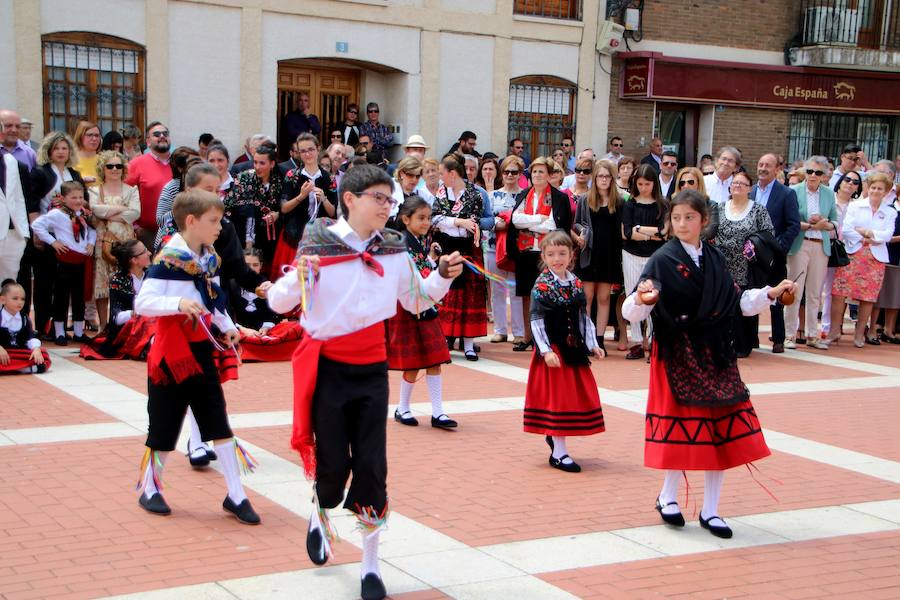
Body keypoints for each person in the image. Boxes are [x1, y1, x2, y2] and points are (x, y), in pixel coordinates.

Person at [266, 164, 463, 600]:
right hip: (329, 368)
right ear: (350, 199)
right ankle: (320, 513)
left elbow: (417, 298)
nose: (387, 207)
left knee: (373, 468)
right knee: (333, 468)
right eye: (379, 198)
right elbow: (280, 302)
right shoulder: (318, 242)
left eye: (390, 200)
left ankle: (370, 567)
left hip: (373, 369)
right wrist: (302, 277)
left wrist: (443, 277)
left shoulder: (394, 248)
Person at [623, 189, 797, 539]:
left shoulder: (716, 259)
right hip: (677, 352)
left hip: (716, 352)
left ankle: (712, 510)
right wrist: (642, 300)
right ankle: (668, 497)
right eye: (676, 218)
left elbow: (739, 303)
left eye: (689, 217)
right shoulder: (662, 259)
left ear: (703, 221)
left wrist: (770, 293)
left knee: (719, 431)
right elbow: (633, 310)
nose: (682, 223)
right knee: (685, 428)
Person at [133, 189, 259, 524]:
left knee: (217, 420)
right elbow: (142, 303)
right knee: (164, 423)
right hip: (170, 353)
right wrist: (176, 304)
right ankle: (150, 487)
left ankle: (236, 494)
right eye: (213, 221)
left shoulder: (209, 257)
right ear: (191, 221)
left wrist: (228, 325)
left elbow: (213, 299)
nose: (220, 227)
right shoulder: (168, 259)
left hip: (200, 348)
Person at [525, 231, 605, 472]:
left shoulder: (576, 282)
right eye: (551, 254)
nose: (557, 258)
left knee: (570, 397)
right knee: (557, 399)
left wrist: (592, 343)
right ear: (544, 256)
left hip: (573, 348)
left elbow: (583, 315)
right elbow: (536, 319)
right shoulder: (542, 285)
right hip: (554, 349)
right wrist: (545, 351)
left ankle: (556, 440)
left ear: (571, 255)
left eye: (562, 253)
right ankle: (559, 453)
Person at [387, 196, 457, 429]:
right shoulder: (401, 244)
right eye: (421, 218)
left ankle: (438, 412)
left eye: (428, 218)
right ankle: (402, 407)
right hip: (409, 305)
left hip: (425, 303)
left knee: (435, 358)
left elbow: (422, 267)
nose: (426, 222)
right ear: (406, 219)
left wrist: (433, 261)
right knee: (413, 361)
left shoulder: (415, 241)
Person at [507, 156, 573, 352]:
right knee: (527, 295)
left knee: (548, 295)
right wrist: (539, 220)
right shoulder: (524, 194)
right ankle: (528, 336)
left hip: (548, 255)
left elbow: (555, 225)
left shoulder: (559, 197)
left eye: (541, 172)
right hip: (526, 252)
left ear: (549, 175)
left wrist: (529, 223)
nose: (537, 175)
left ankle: (546, 337)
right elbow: (515, 220)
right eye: (534, 171)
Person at [827, 172, 898, 348]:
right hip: (853, 253)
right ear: (868, 188)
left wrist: (867, 233)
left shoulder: (889, 212)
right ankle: (835, 330)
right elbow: (847, 229)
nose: (875, 191)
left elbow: (887, 234)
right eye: (873, 187)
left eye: (880, 189)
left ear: (886, 191)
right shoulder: (855, 206)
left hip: (876, 258)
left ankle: (859, 334)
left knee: (868, 298)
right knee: (839, 293)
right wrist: (865, 236)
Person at [28, 132, 85, 337]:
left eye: (64, 148)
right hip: (47, 233)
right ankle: (43, 325)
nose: (61, 152)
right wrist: (36, 232)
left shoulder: (74, 174)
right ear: (49, 151)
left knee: (64, 285)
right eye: (57, 148)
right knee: (44, 282)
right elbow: (33, 203)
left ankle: (60, 325)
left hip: (70, 236)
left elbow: (82, 203)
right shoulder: (40, 172)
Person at [712, 171, 775, 357]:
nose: (737, 186)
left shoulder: (758, 209)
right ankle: (724, 341)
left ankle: (743, 342)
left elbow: (768, 234)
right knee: (724, 303)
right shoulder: (720, 207)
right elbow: (711, 231)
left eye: (742, 183)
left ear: (749, 188)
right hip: (723, 263)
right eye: (735, 183)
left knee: (744, 301)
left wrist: (753, 245)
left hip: (747, 264)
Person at [431, 154, 487, 360]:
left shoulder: (474, 194)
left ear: (452, 174)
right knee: (446, 293)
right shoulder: (441, 192)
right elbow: (435, 218)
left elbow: (473, 222)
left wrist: (460, 223)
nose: (440, 178)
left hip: (466, 249)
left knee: (467, 297)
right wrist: (457, 222)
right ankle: (445, 338)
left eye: (442, 174)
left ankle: (469, 344)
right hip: (445, 246)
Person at [31, 181, 96, 345]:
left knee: (79, 296)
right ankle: (59, 332)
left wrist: (90, 243)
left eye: (81, 197)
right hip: (65, 259)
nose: (78, 200)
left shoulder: (83, 213)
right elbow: (37, 225)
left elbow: (92, 229)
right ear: (63, 198)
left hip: (81, 259)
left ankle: (79, 331)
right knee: (61, 296)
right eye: (73, 197)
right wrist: (53, 242)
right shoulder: (57, 214)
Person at [749, 154, 800, 353]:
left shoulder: (786, 194)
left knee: (778, 297)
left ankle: (778, 339)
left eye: (767, 166)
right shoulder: (750, 191)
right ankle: (751, 337)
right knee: (753, 295)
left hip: (775, 256)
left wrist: (779, 247)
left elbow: (793, 225)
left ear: (777, 169)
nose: (762, 168)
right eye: (760, 164)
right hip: (752, 255)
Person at [573, 159, 625, 353]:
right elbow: (576, 223)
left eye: (607, 176)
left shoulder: (619, 202)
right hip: (589, 253)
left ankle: (599, 337)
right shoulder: (585, 199)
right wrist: (582, 234)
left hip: (609, 255)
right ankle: (586, 336)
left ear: (612, 179)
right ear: (594, 178)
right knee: (587, 297)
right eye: (600, 176)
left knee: (604, 298)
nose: (603, 180)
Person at [786, 156, 837, 348]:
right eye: (809, 171)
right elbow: (789, 221)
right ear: (804, 173)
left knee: (815, 293)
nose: (813, 176)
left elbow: (835, 222)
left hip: (820, 245)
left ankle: (812, 335)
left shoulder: (829, 194)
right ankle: (790, 335)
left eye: (818, 172)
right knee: (793, 290)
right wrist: (810, 225)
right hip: (800, 243)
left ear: (824, 175)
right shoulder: (793, 191)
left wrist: (825, 224)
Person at [273, 134, 337, 278]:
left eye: (311, 149)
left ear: (318, 149)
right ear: (298, 153)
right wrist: (301, 196)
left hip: (319, 237)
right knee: (291, 280)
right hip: (294, 235)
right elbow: (283, 208)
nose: (307, 154)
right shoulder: (292, 176)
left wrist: (324, 199)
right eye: (303, 151)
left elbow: (332, 213)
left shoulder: (329, 178)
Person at [79, 239, 154, 361]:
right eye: (145, 251)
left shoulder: (151, 275)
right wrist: (133, 313)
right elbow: (116, 317)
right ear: (134, 260)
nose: (149, 253)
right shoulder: (118, 280)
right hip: (128, 329)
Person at [621, 163, 667, 360]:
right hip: (631, 254)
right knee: (634, 294)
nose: (643, 188)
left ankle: (654, 339)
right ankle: (637, 342)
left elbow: (664, 233)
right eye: (640, 183)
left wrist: (640, 229)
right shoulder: (630, 203)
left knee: (653, 296)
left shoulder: (662, 204)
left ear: (654, 184)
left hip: (654, 256)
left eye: (647, 184)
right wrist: (649, 233)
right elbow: (627, 233)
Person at [91, 150, 140, 328]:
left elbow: (135, 213)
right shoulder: (95, 190)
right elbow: (95, 210)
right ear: (102, 168)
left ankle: (125, 325)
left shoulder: (131, 190)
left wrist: (108, 211)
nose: (114, 169)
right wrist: (121, 208)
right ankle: (104, 326)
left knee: (126, 280)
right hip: (103, 240)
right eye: (110, 166)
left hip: (125, 241)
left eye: (118, 166)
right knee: (103, 285)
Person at [224, 143, 284, 267]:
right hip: (245, 234)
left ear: (272, 164)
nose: (257, 167)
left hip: (272, 237)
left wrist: (277, 214)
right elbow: (230, 206)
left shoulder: (279, 180)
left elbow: (284, 207)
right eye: (255, 162)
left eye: (262, 163)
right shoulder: (244, 178)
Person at [486, 155, 525, 344]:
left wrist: (510, 223)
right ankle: (500, 330)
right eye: (506, 171)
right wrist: (497, 224)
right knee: (497, 289)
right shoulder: (492, 196)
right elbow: (485, 220)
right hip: (494, 247)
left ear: (520, 174)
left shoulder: (526, 195)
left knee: (517, 289)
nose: (510, 175)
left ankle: (518, 332)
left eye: (514, 172)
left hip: (516, 249)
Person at [820, 168, 860, 338]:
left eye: (855, 182)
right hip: (823, 245)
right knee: (815, 288)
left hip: (843, 252)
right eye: (847, 180)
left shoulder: (857, 206)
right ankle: (805, 326)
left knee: (832, 290)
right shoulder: (829, 199)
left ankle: (827, 327)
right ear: (840, 181)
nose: (850, 184)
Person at [126, 121, 173, 249]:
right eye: (157, 134)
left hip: (177, 233)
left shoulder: (179, 163)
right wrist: (134, 226)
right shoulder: (136, 164)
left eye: (165, 133)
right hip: (147, 234)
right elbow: (125, 196)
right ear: (148, 142)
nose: (162, 136)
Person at [153, 147, 201, 250]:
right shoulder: (172, 187)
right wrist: (182, 207)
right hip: (171, 244)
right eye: (192, 164)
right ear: (180, 168)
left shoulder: (204, 185)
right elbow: (160, 220)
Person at [0, 279, 49, 373]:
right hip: (3, 353)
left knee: (43, 354)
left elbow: (30, 338)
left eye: (22, 299)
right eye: (15, 298)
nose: (20, 302)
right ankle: (24, 369)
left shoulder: (25, 319)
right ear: (3, 300)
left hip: (18, 354)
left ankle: (13, 368)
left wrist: (36, 349)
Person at [875, 190, 900, 343]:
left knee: (896, 295)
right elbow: (885, 235)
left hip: (897, 260)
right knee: (881, 295)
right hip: (888, 256)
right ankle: (875, 326)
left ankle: (889, 329)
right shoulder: (890, 210)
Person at [674, 166, 717, 240]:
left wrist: (684, 233)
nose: (686, 186)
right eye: (682, 183)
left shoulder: (711, 205)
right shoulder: (674, 205)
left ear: (699, 184)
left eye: (690, 182)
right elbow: (670, 230)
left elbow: (710, 232)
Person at [280, 92, 321, 157]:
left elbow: (317, 130)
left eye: (305, 101)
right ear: (297, 103)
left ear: (308, 104)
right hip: (295, 151)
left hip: (309, 151)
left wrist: (308, 117)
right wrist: (309, 134)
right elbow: (291, 132)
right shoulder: (290, 116)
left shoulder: (312, 117)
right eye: (300, 100)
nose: (303, 103)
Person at [72, 121, 102, 187]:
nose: (94, 139)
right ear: (80, 136)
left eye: (97, 135)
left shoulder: (103, 160)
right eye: (89, 135)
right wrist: (81, 181)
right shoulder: (70, 160)